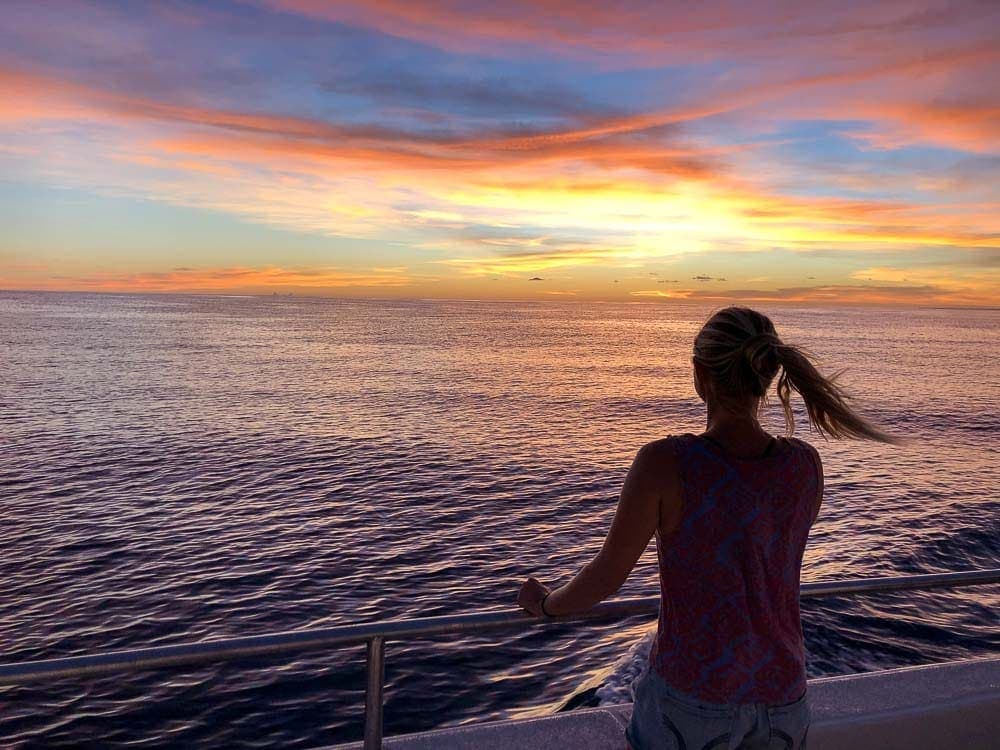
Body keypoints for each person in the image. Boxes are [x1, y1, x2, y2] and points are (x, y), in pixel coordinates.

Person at [517, 306, 896, 750]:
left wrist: (545, 605)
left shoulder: (666, 463)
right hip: (784, 695)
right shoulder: (804, 465)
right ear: (769, 374)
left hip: (694, 697)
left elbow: (606, 577)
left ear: (700, 374)